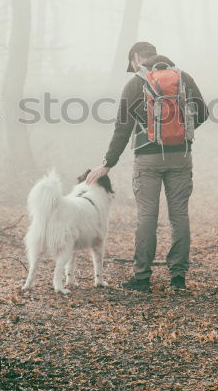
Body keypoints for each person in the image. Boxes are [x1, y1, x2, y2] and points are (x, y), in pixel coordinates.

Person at [87, 41, 208, 291]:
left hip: (147, 159)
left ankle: (142, 278)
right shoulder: (183, 77)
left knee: (147, 217)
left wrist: (107, 164)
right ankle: (178, 278)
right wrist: (182, 132)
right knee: (179, 216)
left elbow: (123, 128)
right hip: (181, 157)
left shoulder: (135, 83)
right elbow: (203, 113)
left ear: (135, 60)